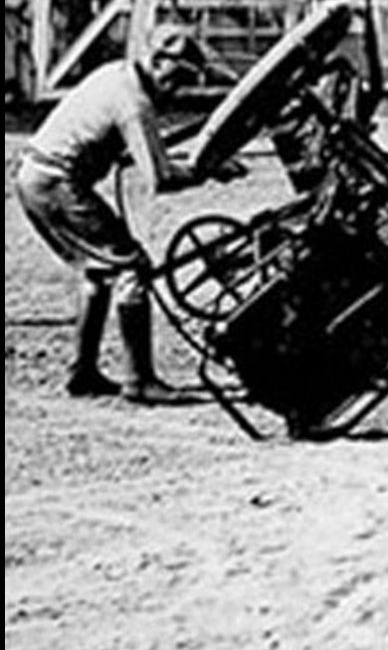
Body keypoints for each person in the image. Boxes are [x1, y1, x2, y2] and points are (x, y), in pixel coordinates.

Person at [14, 22, 243, 403]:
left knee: (98, 270)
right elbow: (160, 178)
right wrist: (208, 170)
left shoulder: (115, 75)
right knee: (132, 266)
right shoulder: (134, 103)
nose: (178, 87)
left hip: (36, 176)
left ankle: (83, 373)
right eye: (178, 75)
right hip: (56, 182)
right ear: (157, 60)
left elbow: (128, 150)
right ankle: (141, 381)